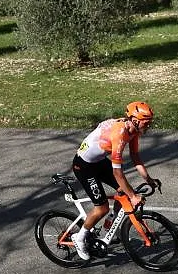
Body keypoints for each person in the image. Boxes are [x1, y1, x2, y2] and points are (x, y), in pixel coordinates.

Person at [68, 101, 158, 261]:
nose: (149, 124)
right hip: (84, 166)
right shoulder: (120, 133)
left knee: (122, 193)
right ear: (136, 120)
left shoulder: (133, 130)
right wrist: (133, 196)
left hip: (99, 162)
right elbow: (117, 172)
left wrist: (148, 179)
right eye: (147, 121)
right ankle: (80, 237)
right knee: (102, 208)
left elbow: (135, 157)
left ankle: (107, 230)